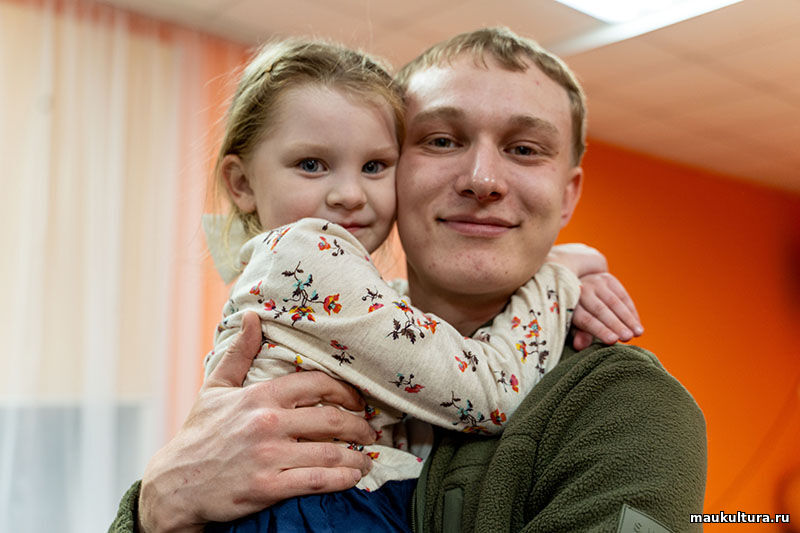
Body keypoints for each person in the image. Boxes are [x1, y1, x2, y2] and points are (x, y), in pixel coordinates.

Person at [110, 27, 705, 533]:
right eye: (441, 140)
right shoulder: (323, 293)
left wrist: (558, 281)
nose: (482, 179)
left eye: (524, 149)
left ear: (568, 194)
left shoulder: (626, 406)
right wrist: (156, 507)